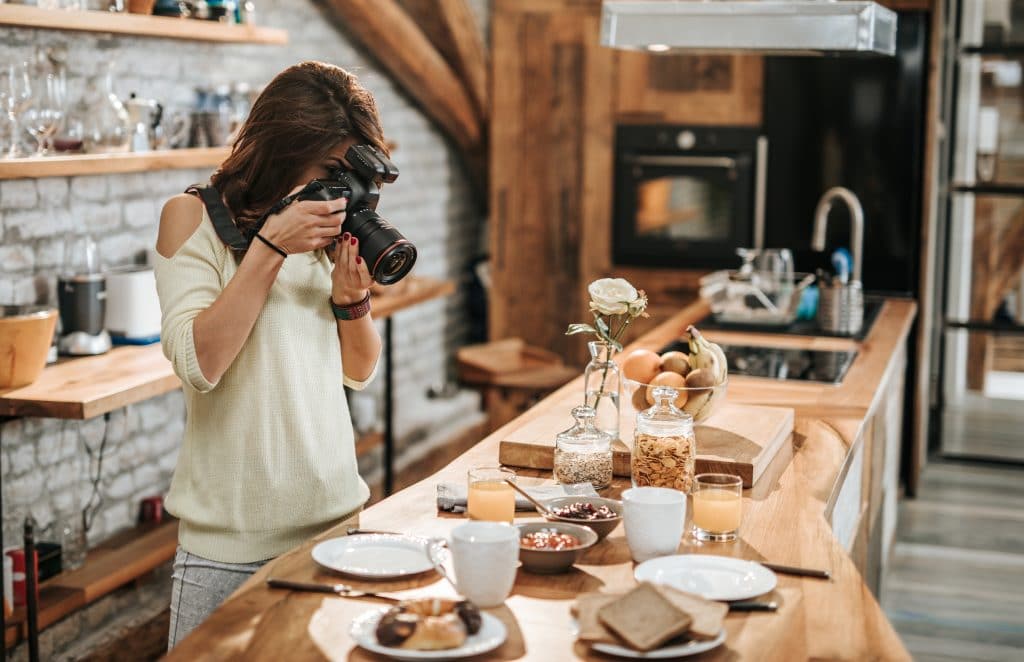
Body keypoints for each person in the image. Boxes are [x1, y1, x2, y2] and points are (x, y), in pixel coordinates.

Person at [154, 61, 386, 648]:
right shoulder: (194, 219)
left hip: (337, 530)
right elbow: (199, 364)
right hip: (227, 551)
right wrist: (270, 248)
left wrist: (352, 300)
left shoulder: (322, 231)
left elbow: (358, 372)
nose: (341, 190)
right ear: (282, 148)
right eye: (332, 170)